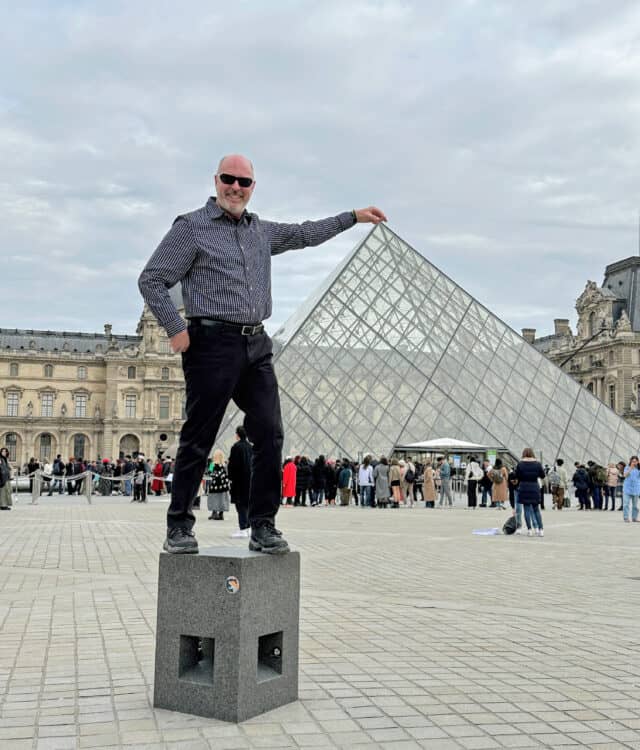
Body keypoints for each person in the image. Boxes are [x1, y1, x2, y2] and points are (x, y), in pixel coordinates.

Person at [138, 153, 386, 554]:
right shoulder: (191, 228)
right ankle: (179, 526)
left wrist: (353, 217)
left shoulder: (261, 231)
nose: (236, 187)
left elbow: (306, 234)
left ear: (253, 187)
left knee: (270, 435)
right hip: (211, 344)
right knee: (199, 438)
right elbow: (152, 279)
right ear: (215, 181)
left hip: (257, 345)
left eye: (244, 182)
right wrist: (176, 326)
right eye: (229, 179)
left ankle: (263, 524)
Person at [227, 426, 252, 537]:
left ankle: (243, 528)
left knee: (240, 505)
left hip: (239, 481)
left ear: (237, 434)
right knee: (248, 504)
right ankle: (249, 527)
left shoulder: (236, 447)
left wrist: (230, 478)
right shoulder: (251, 447)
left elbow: (233, 465)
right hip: (250, 480)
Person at [515, 448, 546, 536]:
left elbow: (517, 476)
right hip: (534, 487)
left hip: (524, 487)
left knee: (527, 510)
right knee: (536, 510)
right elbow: (543, 475)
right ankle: (541, 530)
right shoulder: (537, 464)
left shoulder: (520, 464)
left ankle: (529, 530)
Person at [207, 449, 230, 521]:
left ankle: (214, 513)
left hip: (215, 485)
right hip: (224, 485)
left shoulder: (212, 464)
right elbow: (227, 473)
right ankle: (221, 514)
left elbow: (209, 473)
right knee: (222, 499)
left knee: (214, 498)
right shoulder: (224, 464)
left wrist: (215, 474)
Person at [622, 455, 640, 523]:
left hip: (636, 489)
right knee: (626, 504)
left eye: (635, 461)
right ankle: (626, 518)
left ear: (638, 462)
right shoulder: (627, 467)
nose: (634, 463)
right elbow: (625, 475)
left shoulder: (638, 469)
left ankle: (634, 518)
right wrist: (630, 469)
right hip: (627, 489)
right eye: (633, 461)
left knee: (635, 505)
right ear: (630, 461)